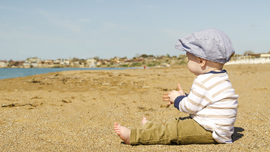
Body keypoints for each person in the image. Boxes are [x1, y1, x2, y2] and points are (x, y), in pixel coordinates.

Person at [114, 29, 239, 145]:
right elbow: (204, 102)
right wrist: (185, 96)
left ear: (201, 61)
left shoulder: (203, 81)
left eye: (189, 59)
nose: (187, 62)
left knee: (174, 130)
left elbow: (190, 107)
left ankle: (134, 136)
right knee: (177, 123)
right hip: (220, 129)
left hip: (210, 131)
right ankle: (150, 127)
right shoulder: (221, 77)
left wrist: (177, 99)